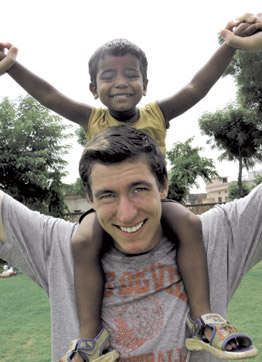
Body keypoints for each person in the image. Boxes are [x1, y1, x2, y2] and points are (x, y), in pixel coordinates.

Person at [0, 14, 260, 362]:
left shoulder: (157, 113)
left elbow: (199, 86)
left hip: (164, 207)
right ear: (93, 88)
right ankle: (89, 337)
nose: (121, 82)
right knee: (81, 239)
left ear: (145, 83)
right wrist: (12, 66)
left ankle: (204, 319)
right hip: (101, 218)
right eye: (108, 76)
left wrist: (230, 45)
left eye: (131, 74)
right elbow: (48, 95)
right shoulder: (92, 119)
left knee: (189, 222)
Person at [0, 125, 260, 362]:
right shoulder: (58, 248)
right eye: (107, 195)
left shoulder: (215, 236)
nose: (126, 214)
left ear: (163, 185)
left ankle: (204, 321)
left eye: (139, 189)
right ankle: (89, 341)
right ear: (90, 198)